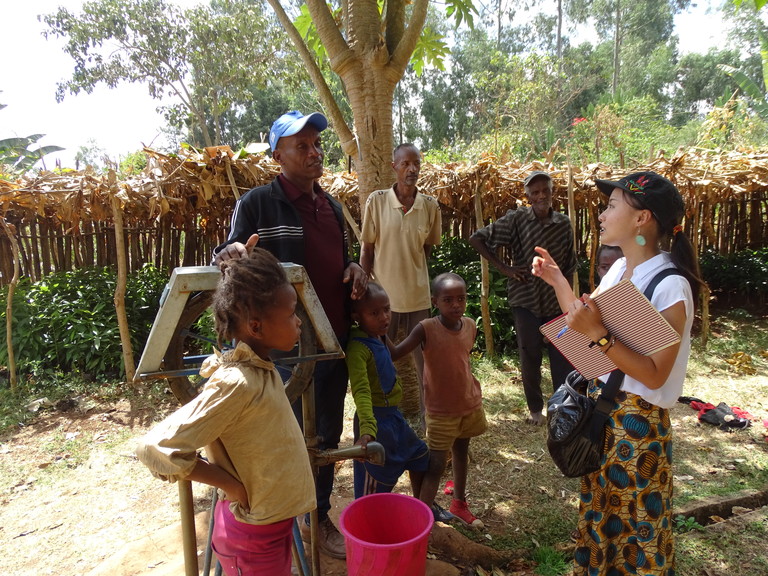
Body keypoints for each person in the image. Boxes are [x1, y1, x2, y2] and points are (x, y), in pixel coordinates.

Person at [531, 171, 705, 575]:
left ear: (642, 218)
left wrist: (601, 338)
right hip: (605, 420)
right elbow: (586, 327)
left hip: (640, 429)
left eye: (612, 206)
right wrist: (558, 280)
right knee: (603, 528)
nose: (602, 213)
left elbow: (654, 373)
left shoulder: (668, 285)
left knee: (639, 532)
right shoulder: (622, 270)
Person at [212, 110, 368, 559]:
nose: (314, 152)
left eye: (317, 143)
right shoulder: (258, 203)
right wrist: (232, 253)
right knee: (282, 435)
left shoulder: (332, 207)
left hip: (331, 341)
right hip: (282, 351)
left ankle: (317, 518)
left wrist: (354, 267)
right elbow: (228, 255)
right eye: (301, 145)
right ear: (278, 154)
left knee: (326, 434)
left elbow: (340, 264)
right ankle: (276, 519)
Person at [136, 248, 315, 576]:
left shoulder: (259, 367)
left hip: (270, 527)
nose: (299, 320)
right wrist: (231, 486)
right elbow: (156, 447)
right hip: (252, 540)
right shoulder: (237, 381)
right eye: (291, 313)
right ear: (256, 327)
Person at [469, 170, 577, 426]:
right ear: (528, 196)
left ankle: (561, 408)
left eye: (545, 191)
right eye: (535, 192)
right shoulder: (517, 220)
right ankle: (535, 410)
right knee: (529, 354)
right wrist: (505, 268)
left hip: (556, 301)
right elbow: (477, 238)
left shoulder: (563, 224)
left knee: (562, 356)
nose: (541, 196)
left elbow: (570, 265)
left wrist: (570, 298)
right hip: (525, 298)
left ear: (553, 193)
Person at [391, 272, 487, 528]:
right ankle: (420, 521)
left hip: (468, 403)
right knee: (435, 466)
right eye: (448, 300)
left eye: (461, 299)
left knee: (461, 452)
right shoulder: (426, 328)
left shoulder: (470, 325)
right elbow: (396, 352)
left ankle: (459, 504)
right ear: (435, 301)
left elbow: (462, 361)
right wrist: (377, 329)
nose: (456, 305)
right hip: (441, 411)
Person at [360, 143, 442, 429]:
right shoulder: (378, 201)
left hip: (419, 299)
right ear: (394, 167)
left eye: (416, 163)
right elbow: (367, 249)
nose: (412, 169)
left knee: (426, 365)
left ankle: (428, 418)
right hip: (385, 301)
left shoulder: (430, 206)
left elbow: (427, 250)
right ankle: (381, 419)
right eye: (405, 164)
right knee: (381, 361)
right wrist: (365, 290)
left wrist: (414, 272)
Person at [345, 282, 430, 501]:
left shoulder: (378, 334)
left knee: (420, 456)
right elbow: (361, 392)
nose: (384, 317)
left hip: (394, 417)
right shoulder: (358, 348)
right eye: (374, 313)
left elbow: (394, 353)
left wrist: (422, 334)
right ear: (356, 315)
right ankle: (366, 525)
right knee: (373, 484)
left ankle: (422, 507)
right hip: (375, 421)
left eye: (386, 309)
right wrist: (367, 430)